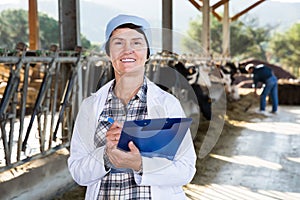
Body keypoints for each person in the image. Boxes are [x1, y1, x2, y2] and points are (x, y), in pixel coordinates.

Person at [68, 14, 197, 200]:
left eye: (136, 43)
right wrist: (106, 156)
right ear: (108, 52)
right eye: (118, 43)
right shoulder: (90, 106)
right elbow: (78, 172)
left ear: (147, 53)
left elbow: (186, 170)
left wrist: (140, 164)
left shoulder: (167, 104)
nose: (127, 50)